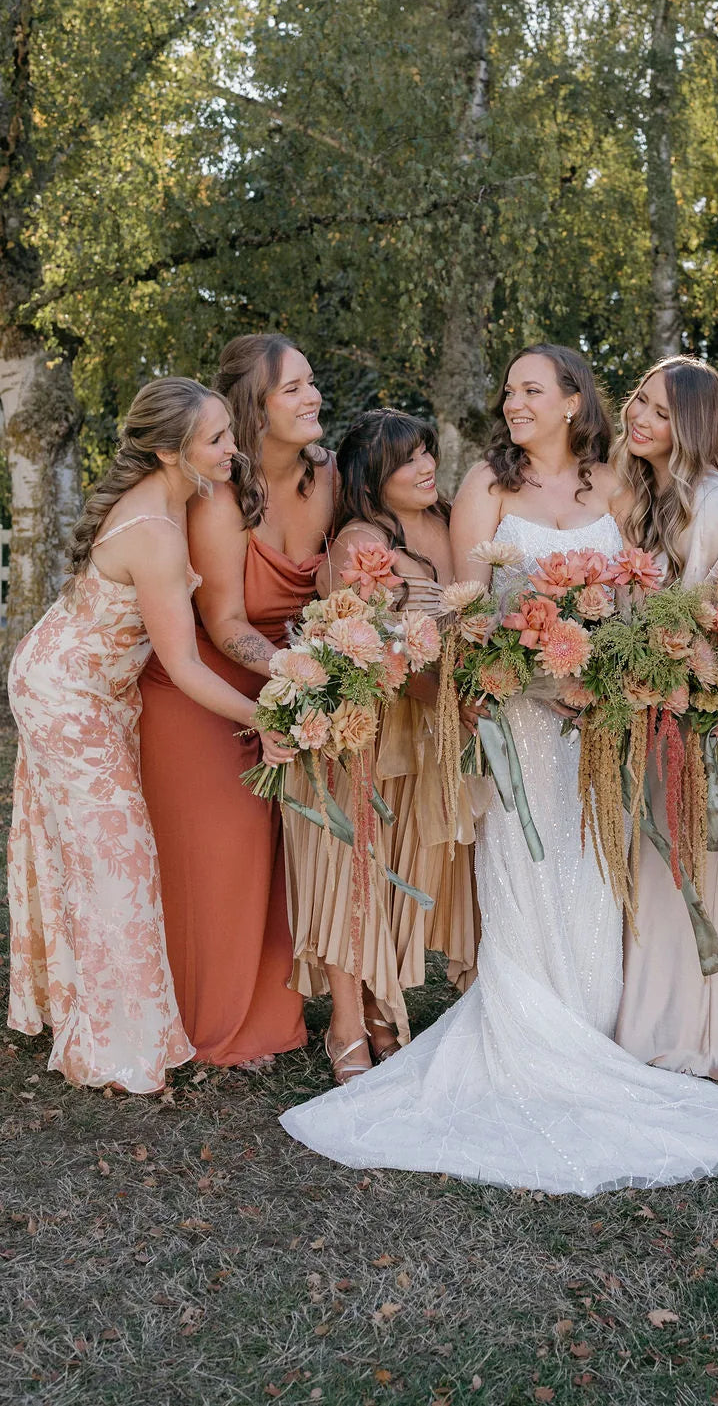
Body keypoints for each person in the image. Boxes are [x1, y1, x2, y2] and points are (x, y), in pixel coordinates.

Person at [279, 344, 718, 1194]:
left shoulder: (614, 483)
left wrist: (608, 669)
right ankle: (523, 1029)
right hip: (515, 715)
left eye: (531, 390)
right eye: (508, 389)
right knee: (524, 865)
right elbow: (468, 611)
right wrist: (525, 668)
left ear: (574, 401)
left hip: (595, 720)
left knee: (589, 871)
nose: (513, 402)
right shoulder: (486, 486)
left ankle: (589, 1026)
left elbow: (636, 594)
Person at [6, 377, 292, 1092]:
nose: (233, 448)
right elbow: (186, 664)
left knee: (103, 854)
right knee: (119, 856)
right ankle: (114, 1047)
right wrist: (267, 717)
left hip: (98, 691)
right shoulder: (158, 535)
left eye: (230, 432)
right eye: (217, 438)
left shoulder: (183, 497)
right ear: (170, 450)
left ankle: (97, 1014)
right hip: (63, 692)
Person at [139, 335, 335, 1068]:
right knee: (224, 852)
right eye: (294, 389)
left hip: (285, 686)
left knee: (281, 852)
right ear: (257, 407)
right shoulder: (218, 497)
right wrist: (294, 679)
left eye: (311, 383)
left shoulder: (328, 478)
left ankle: (268, 1015)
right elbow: (222, 626)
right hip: (201, 689)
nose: (312, 397)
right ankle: (203, 1022)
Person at [285, 409, 482, 1083]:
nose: (427, 465)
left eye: (428, 450)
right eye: (408, 459)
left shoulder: (447, 523)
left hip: (425, 731)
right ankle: (346, 1019)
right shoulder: (359, 543)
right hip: (363, 730)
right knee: (353, 872)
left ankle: (379, 1005)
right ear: (372, 475)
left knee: (395, 875)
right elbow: (360, 656)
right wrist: (448, 696)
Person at [614, 355, 718, 1081]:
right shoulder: (652, 495)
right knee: (659, 864)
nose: (637, 417)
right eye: (637, 403)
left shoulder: (711, 499)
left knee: (700, 866)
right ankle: (654, 1019)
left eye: (656, 409)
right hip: (656, 706)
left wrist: (695, 683)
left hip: (706, 715)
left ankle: (708, 1031)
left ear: (686, 422)